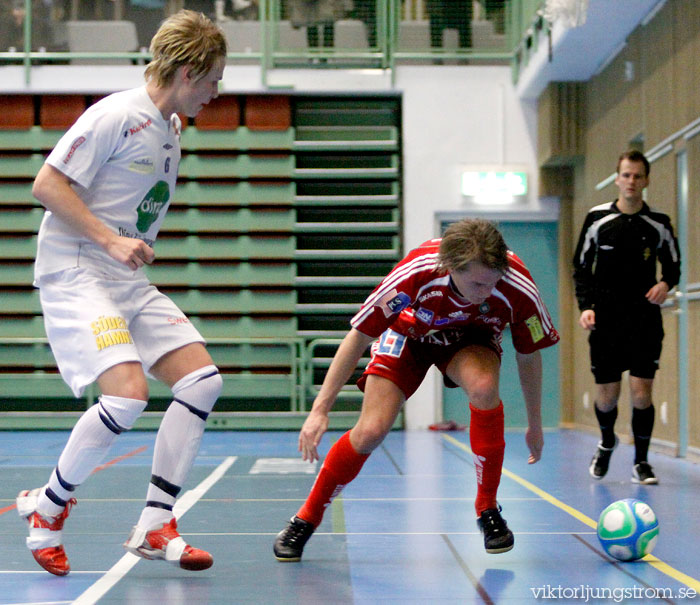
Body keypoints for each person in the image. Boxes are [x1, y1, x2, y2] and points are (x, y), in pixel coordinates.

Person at [16, 10, 227, 577]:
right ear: (188, 72)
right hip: (79, 271)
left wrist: (124, 246)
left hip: (124, 279)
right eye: (213, 80)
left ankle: (156, 525)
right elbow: (47, 184)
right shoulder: (116, 115)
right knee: (129, 396)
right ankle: (48, 509)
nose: (216, 92)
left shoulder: (171, 127)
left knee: (202, 381)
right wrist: (111, 240)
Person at [273, 218, 560, 561]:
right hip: (409, 334)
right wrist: (320, 410)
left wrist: (535, 424)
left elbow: (529, 355)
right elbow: (359, 337)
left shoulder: (516, 286)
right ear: (450, 266)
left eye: (493, 282)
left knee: (484, 387)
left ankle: (487, 508)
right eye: (478, 283)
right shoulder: (417, 272)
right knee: (371, 431)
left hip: (469, 340)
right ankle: (306, 517)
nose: (487, 291)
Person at [573, 150, 680, 485]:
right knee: (607, 396)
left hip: (645, 320)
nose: (631, 181)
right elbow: (580, 267)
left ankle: (641, 462)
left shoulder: (658, 223)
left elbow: (674, 266)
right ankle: (607, 442)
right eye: (626, 175)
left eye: (637, 176)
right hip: (605, 320)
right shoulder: (597, 220)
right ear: (617, 179)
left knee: (641, 393)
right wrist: (585, 306)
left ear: (645, 180)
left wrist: (665, 284)